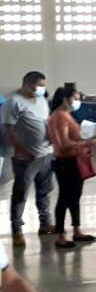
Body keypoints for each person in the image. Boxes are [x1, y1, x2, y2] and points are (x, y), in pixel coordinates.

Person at [3, 71, 55, 247]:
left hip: (46, 154)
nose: (41, 89)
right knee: (21, 194)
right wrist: (19, 149)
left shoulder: (41, 100)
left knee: (44, 191)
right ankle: (17, 230)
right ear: (26, 84)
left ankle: (45, 223)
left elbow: (46, 121)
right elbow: (7, 130)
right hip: (25, 159)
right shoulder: (13, 102)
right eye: (39, 85)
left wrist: (52, 139)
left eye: (43, 86)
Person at [47, 86, 96, 250]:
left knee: (75, 196)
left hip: (74, 160)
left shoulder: (65, 114)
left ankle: (77, 230)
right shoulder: (59, 116)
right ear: (65, 99)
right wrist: (87, 142)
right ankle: (60, 235)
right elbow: (63, 144)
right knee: (65, 197)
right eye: (75, 98)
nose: (78, 102)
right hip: (65, 162)